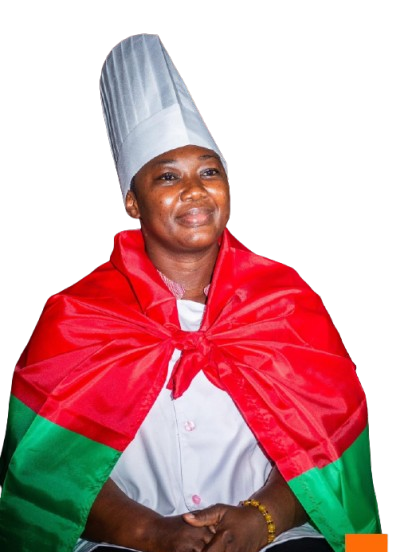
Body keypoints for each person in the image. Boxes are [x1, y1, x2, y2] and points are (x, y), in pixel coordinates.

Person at [0, 34, 381, 552]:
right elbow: (47, 469)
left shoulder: (286, 302)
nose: (195, 190)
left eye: (209, 171)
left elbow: (330, 446)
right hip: (125, 544)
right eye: (167, 177)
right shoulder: (75, 317)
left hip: (274, 538)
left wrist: (261, 520)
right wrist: (152, 533)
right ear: (133, 202)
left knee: (361, 550)